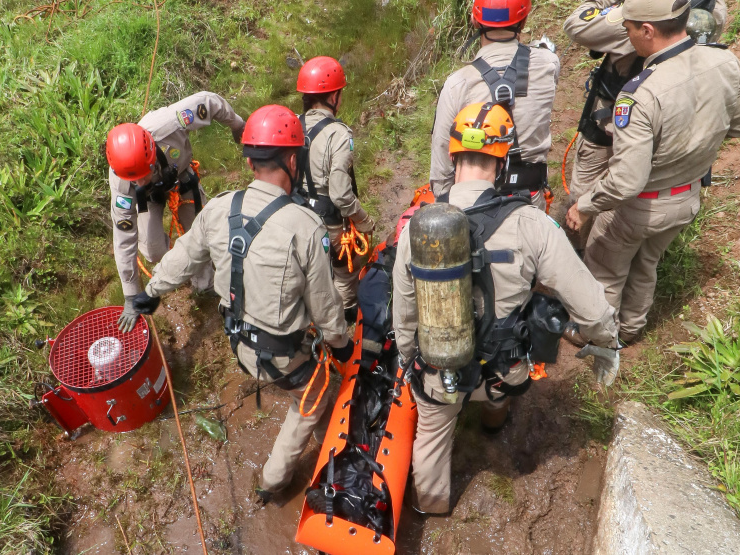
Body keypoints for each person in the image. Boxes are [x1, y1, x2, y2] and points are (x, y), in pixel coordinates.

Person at [394, 103, 619, 515]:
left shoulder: (418, 227)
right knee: (501, 392)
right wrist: (607, 342)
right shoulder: (531, 223)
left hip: (438, 376)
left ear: (453, 155)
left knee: (431, 432)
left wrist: (411, 361)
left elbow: (406, 313)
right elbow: (589, 304)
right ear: (502, 164)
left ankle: (432, 508)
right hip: (504, 373)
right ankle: (492, 424)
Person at [131, 105, 354, 504]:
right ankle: (273, 480)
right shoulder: (306, 226)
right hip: (284, 357)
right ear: (292, 159)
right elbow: (325, 305)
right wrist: (341, 345)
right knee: (318, 392)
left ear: (250, 161)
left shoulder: (219, 208)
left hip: (239, 346)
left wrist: (149, 293)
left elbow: (182, 258)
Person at [566, 0, 740, 344]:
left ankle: (597, 337)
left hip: (639, 205)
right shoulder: (724, 61)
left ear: (648, 31)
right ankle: (632, 329)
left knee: (606, 268)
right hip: (687, 197)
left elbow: (625, 181)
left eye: (629, 29)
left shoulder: (640, 94)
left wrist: (585, 205)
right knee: (645, 264)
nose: (627, 34)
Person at [562, 0, 726, 249]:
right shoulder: (710, 11)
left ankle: (583, 256)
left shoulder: (639, 16)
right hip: (673, 130)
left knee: (587, 206)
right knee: (644, 253)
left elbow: (577, 24)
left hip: (611, 129)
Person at [108, 91, 246, 333]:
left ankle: (204, 283)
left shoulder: (170, 125)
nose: (139, 182)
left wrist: (237, 124)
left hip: (181, 179)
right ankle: (178, 261)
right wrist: (130, 295)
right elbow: (123, 240)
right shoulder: (123, 186)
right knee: (152, 250)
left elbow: (209, 101)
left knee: (199, 233)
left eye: (144, 174)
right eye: (134, 180)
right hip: (148, 200)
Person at [429, 0, 560, 209]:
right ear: (524, 21)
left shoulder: (457, 85)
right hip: (531, 201)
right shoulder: (549, 64)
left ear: (474, 20)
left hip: (476, 208)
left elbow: (441, 173)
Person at [297, 56, 375, 322]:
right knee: (345, 271)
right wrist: (363, 219)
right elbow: (341, 194)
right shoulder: (339, 134)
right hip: (329, 220)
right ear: (334, 96)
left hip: (296, 215)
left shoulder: (292, 125)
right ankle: (343, 324)